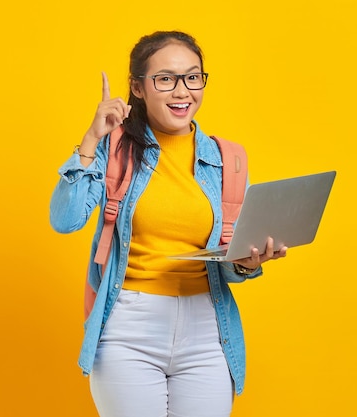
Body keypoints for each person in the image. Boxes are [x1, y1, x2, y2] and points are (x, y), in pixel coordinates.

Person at [50, 30, 288, 417]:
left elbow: (227, 264)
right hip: (130, 327)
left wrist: (248, 262)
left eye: (192, 77)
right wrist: (91, 139)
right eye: (166, 79)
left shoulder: (229, 158)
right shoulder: (113, 146)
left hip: (207, 330)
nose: (182, 92)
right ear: (137, 88)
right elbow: (65, 220)